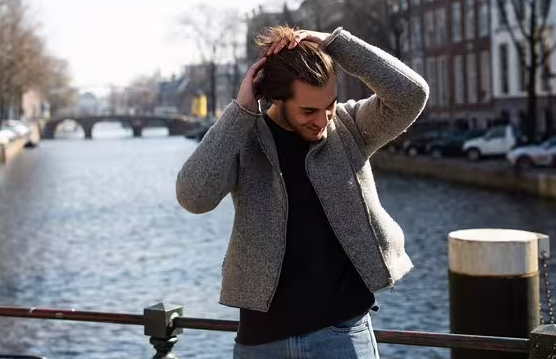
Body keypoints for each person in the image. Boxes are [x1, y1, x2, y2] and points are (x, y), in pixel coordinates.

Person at [176, 26, 429, 358]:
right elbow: (193, 196)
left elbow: (411, 95)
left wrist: (335, 43)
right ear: (276, 99)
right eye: (308, 111)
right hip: (262, 342)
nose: (323, 119)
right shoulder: (245, 140)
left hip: (342, 336)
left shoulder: (349, 127)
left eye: (330, 104)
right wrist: (240, 111)